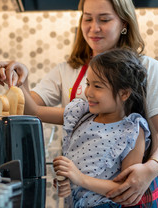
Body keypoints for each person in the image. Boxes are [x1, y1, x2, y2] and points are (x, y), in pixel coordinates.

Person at [0, 0, 158, 207]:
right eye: (88, 18)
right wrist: (20, 79)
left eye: (104, 19)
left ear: (124, 23)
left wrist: (152, 168)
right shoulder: (67, 70)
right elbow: (30, 109)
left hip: (133, 192)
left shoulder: (148, 68)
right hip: (80, 195)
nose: (94, 27)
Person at [53, 48, 151, 208]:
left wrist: (80, 179)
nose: (88, 92)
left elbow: (125, 189)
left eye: (97, 86)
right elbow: (34, 112)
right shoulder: (83, 116)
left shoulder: (132, 130)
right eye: (88, 84)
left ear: (124, 93)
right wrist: (68, 182)